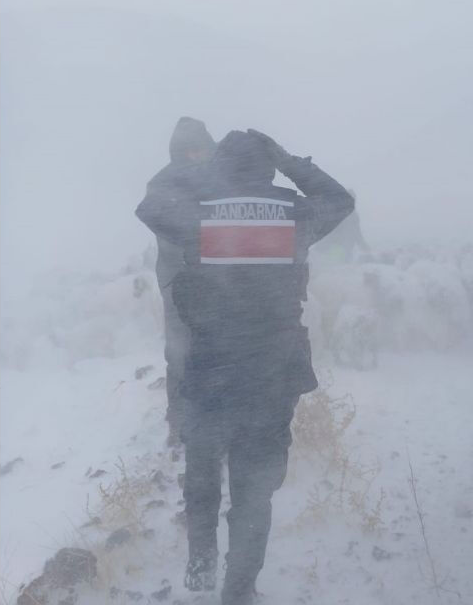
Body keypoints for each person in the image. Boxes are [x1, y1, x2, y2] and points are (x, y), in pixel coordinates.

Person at [136, 130, 354, 604]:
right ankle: (238, 590)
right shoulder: (295, 213)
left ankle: (200, 560)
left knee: (201, 465)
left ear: (220, 166)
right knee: (254, 487)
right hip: (273, 373)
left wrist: (201, 172)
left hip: (210, 367)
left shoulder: (198, 211)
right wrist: (291, 161)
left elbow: (149, 206)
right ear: (268, 167)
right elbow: (340, 199)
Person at [142, 116, 215, 445]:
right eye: (191, 150)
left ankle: (213, 419)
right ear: (179, 151)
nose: (198, 156)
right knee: (180, 350)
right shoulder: (163, 183)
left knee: (215, 349)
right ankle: (179, 423)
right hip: (177, 279)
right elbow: (158, 221)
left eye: (202, 150)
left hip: (216, 282)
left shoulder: (216, 180)